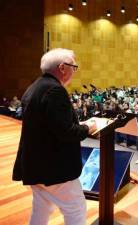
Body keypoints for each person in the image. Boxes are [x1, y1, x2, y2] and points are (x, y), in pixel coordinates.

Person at [12, 48, 97, 225]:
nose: (75, 71)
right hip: (54, 168)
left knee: (42, 208)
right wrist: (87, 127)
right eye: (74, 66)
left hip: (35, 164)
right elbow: (66, 132)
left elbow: (48, 126)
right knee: (76, 208)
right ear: (62, 67)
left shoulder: (34, 87)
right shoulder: (54, 91)